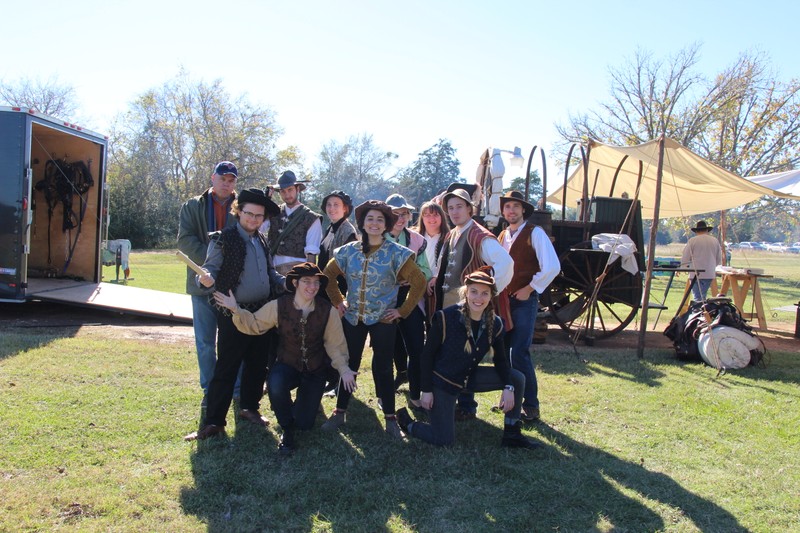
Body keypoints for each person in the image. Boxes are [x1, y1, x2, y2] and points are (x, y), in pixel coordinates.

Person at [213, 263, 357, 455]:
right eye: (307, 281)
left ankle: (299, 409)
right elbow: (255, 324)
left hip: (315, 370)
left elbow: (335, 344)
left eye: (316, 283)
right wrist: (235, 309)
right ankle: (286, 427)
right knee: (276, 384)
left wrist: (344, 369)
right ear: (295, 283)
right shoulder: (279, 306)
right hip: (287, 364)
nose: (312, 287)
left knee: (305, 424)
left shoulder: (327, 310)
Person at [396, 267, 539, 449]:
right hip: (441, 383)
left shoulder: (495, 323)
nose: (478, 298)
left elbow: (501, 360)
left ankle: (512, 433)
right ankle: (409, 423)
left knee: (517, 378)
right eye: (474, 292)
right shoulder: (445, 318)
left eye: (484, 293)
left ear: (491, 296)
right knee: (443, 439)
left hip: (468, 378)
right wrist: (426, 390)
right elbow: (426, 357)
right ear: (466, 292)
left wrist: (508, 386)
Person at [320, 200, 427, 438]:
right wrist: (339, 301)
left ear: (387, 224)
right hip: (353, 317)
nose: (375, 223)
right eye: (370, 219)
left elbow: (419, 281)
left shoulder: (397, 253)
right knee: (349, 363)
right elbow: (327, 275)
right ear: (362, 223)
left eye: (380, 219)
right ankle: (340, 412)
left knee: (383, 365)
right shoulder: (348, 251)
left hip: (383, 318)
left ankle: (390, 416)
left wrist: (402, 311)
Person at [184, 188, 284, 441]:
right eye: (249, 214)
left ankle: (249, 408)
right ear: (238, 212)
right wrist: (204, 278)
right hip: (233, 312)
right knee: (226, 367)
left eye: (258, 216)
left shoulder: (261, 240)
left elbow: (270, 274)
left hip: (261, 312)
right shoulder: (222, 239)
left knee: (257, 364)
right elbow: (209, 269)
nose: (253, 219)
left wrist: (288, 282)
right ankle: (215, 422)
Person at [433, 187, 514, 420]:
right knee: (450, 354)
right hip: (449, 309)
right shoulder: (453, 234)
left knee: (466, 354)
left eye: (460, 206)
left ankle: (466, 406)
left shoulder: (480, 235)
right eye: (451, 208)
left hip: (469, 310)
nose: (455, 211)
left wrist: (486, 292)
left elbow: (505, 264)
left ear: (470, 208)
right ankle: (451, 401)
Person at [177, 160, 241, 417]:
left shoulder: (242, 206)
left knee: (233, 341)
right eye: (223, 178)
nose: (227, 183)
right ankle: (209, 390)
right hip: (202, 285)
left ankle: (236, 390)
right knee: (205, 342)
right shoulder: (193, 206)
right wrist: (213, 259)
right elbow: (185, 240)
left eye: (231, 180)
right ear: (212, 178)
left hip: (233, 288)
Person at [497, 191, 560, 422]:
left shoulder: (535, 233)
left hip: (524, 302)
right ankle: (508, 400)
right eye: (507, 207)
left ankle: (531, 406)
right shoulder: (503, 235)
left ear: (523, 210)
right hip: (503, 302)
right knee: (503, 352)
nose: (511, 210)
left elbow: (552, 266)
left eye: (515, 206)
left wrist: (529, 288)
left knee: (519, 353)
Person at [384, 194, 431, 409]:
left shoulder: (416, 240)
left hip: (411, 296)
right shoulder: (378, 237)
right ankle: (383, 396)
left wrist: (413, 276)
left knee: (415, 347)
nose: (400, 218)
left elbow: (425, 269)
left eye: (404, 213)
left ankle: (415, 394)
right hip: (384, 298)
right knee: (384, 348)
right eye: (395, 214)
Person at [263, 170, 322, 275]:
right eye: (283, 191)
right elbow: (258, 229)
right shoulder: (272, 213)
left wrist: (308, 279)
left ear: (297, 189)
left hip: (298, 274)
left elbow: (311, 254)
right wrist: (265, 203)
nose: (287, 195)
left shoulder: (312, 218)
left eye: (290, 190)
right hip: (272, 272)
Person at [414, 200, 450, 322]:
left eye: (435, 214)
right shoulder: (414, 236)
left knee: (434, 320)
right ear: (422, 218)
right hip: (415, 284)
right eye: (427, 215)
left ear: (442, 217)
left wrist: (435, 277)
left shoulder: (449, 238)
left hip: (436, 286)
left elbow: (450, 263)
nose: (432, 218)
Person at [317, 190, 358, 293]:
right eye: (329, 205)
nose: (332, 208)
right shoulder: (329, 228)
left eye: (336, 205)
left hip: (338, 292)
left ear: (345, 208)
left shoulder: (348, 232)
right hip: (324, 288)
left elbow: (350, 269)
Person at [681, 220, 723, 301]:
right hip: (709, 273)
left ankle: (700, 311)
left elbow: (685, 257)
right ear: (707, 230)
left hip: (695, 273)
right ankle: (702, 310)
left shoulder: (692, 241)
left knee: (698, 297)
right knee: (702, 295)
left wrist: (684, 267)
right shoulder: (715, 241)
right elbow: (718, 259)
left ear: (696, 231)